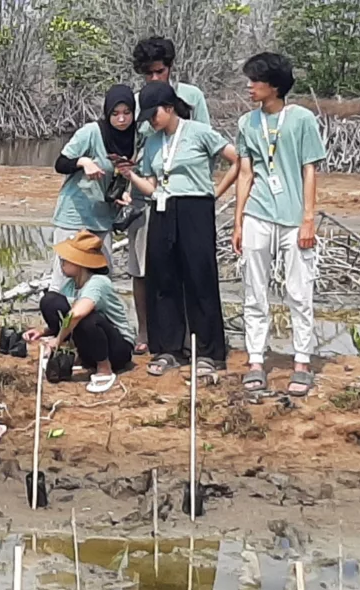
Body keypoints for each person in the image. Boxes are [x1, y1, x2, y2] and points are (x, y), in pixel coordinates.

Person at [120, 81, 239, 377]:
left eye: (154, 114)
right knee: (162, 279)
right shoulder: (152, 142)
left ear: (170, 108)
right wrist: (130, 175)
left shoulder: (198, 132)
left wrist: (215, 193)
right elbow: (153, 186)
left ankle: (210, 352)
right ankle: (168, 349)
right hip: (162, 208)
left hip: (195, 207)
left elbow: (236, 160)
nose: (151, 121)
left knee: (200, 277)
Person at [232, 52, 327, 396]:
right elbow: (246, 172)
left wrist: (308, 219)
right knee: (254, 290)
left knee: (299, 291)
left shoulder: (301, 119)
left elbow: (309, 170)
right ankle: (256, 360)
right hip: (258, 213)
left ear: (274, 85)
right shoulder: (247, 123)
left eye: (255, 80)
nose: (249, 87)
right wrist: (238, 220)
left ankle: (302, 361)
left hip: (293, 219)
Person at [23, 230, 135, 392]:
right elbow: (65, 315)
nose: (61, 263)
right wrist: (44, 331)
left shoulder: (98, 283)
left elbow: (76, 314)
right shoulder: (70, 285)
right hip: (90, 345)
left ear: (79, 263)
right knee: (51, 301)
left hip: (117, 349)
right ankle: (77, 354)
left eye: (65, 260)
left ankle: (104, 368)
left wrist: (57, 340)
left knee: (87, 319)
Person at [49, 84, 136, 291]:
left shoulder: (135, 138)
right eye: (115, 114)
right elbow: (60, 163)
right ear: (107, 113)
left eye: (126, 113)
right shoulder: (91, 132)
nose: (121, 119)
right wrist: (83, 162)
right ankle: (58, 321)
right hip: (74, 216)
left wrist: (122, 194)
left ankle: (93, 323)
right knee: (65, 278)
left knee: (101, 280)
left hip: (103, 218)